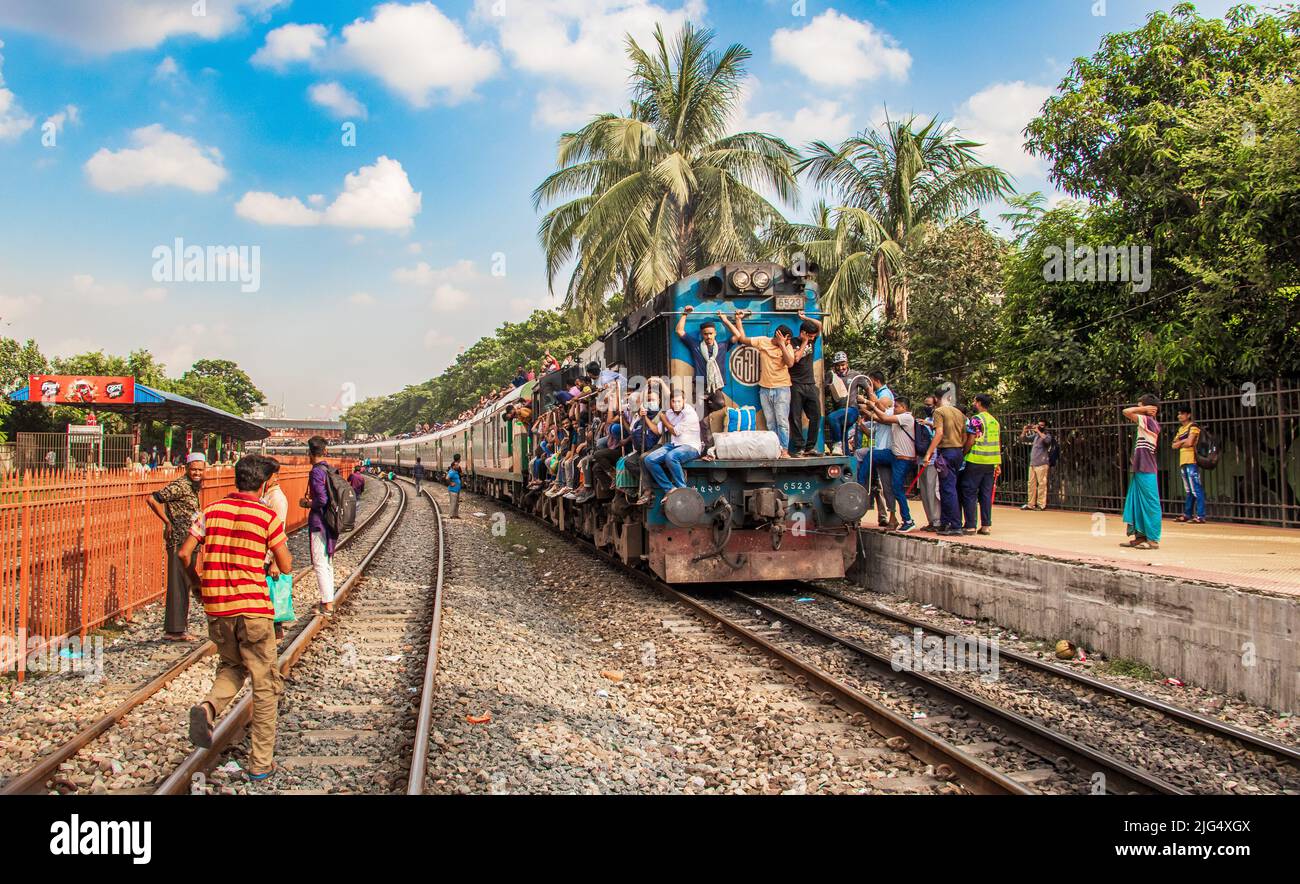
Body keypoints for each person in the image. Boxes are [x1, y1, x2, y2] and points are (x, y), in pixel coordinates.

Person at [179, 455, 290, 782]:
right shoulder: (266, 516)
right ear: (265, 482)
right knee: (265, 684)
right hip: (253, 609)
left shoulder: (209, 513)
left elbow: (185, 553)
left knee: (231, 667)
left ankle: (210, 707)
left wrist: (197, 584)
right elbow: (285, 565)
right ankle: (260, 763)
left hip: (218, 609)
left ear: (237, 479)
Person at [717, 308, 795, 455]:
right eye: (787, 338)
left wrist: (783, 344)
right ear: (778, 335)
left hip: (782, 388)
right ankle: (775, 450)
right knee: (771, 422)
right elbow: (743, 339)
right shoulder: (763, 341)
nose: (789, 341)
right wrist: (738, 320)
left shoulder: (787, 347)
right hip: (765, 389)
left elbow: (790, 363)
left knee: (782, 422)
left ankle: (784, 450)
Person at [147, 452, 207, 641]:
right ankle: (174, 630)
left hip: (189, 539)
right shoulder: (180, 486)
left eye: (200, 469)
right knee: (178, 583)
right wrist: (167, 522)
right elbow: (152, 499)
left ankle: (180, 627)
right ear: (187, 468)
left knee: (185, 583)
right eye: (194, 469)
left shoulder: (193, 486)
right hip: (179, 540)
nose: (197, 472)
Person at [865, 395, 918, 532]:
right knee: (872, 455)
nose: (894, 409)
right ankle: (861, 482)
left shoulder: (906, 417)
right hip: (894, 456)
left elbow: (883, 417)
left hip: (903, 459)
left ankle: (908, 519)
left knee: (897, 489)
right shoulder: (897, 420)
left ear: (904, 408)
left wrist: (870, 404)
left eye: (897, 406)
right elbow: (880, 418)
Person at [641, 386, 702, 498]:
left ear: (684, 401)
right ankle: (670, 489)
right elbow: (657, 431)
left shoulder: (689, 413)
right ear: (670, 402)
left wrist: (663, 419)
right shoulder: (669, 413)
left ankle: (682, 489)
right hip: (675, 445)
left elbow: (675, 432)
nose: (676, 404)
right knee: (649, 460)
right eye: (673, 401)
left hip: (691, 446)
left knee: (671, 457)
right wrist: (644, 417)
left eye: (679, 401)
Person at [300, 436, 337, 617]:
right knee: (327, 561)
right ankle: (328, 598)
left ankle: (327, 604)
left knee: (319, 563)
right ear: (325, 451)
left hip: (319, 522)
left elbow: (322, 499)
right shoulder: (329, 469)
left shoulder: (316, 472)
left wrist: (307, 504)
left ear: (309, 453)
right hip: (330, 520)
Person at [856, 371, 896, 527]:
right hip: (877, 446)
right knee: (880, 483)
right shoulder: (880, 399)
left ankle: (890, 514)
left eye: (870, 384)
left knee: (886, 485)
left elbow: (882, 412)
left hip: (885, 449)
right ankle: (881, 513)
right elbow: (874, 429)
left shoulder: (885, 396)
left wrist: (868, 399)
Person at [1122, 395, 1162, 549]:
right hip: (1140, 468)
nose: (1138, 408)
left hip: (1146, 469)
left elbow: (1126, 411)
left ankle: (1153, 539)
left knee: (1151, 503)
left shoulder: (1149, 421)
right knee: (1137, 502)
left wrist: (1143, 409)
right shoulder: (1146, 423)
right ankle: (1140, 536)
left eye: (1141, 405)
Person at [258, 456, 291, 639]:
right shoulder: (267, 494)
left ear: (273, 476)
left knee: (271, 596)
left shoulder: (277, 498)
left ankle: (274, 633)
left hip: (271, 556)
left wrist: (275, 562)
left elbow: (280, 530)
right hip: (266, 554)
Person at [959, 394, 1001, 535]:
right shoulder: (994, 421)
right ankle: (986, 525)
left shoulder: (977, 419)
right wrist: (997, 463)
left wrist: (964, 453)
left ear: (979, 403)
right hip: (990, 461)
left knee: (969, 491)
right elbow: (997, 443)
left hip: (976, 460)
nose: (973, 403)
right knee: (985, 494)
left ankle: (970, 525)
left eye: (974, 401)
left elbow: (971, 440)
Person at [929, 392, 968, 536]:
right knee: (949, 488)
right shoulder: (959, 413)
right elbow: (966, 435)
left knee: (948, 489)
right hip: (957, 452)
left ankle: (955, 525)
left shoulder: (939, 412)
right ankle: (946, 522)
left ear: (936, 399)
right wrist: (960, 448)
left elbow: (939, 434)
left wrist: (928, 453)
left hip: (946, 452)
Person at [675, 305, 735, 396]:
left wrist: (725, 320)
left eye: (711, 333)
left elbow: (737, 335)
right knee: (701, 409)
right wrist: (685, 314)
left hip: (717, 384)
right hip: (700, 384)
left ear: (715, 333)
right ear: (702, 335)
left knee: (719, 403)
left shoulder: (722, 346)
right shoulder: (695, 345)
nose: (708, 336)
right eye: (705, 334)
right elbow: (679, 331)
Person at [787, 312, 823, 456]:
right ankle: (799, 447)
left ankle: (810, 447)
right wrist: (804, 342)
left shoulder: (812, 340)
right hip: (795, 384)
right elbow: (796, 358)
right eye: (810, 336)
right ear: (803, 333)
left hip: (810, 383)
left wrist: (805, 318)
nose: (813, 338)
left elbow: (820, 325)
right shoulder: (793, 343)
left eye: (814, 336)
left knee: (816, 415)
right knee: (795, 417)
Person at [823, 352, 864, 455]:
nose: (840, 368)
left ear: (847, 364)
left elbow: (869, 389)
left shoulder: (855, 375)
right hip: (839, 410)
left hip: (851, 409)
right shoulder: (832, 375)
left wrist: (869, 403)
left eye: (843, 365)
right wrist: (829, 383)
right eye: (838, 365)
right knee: (842, 434)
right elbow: (824, 394)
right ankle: (846, 457)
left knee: (832, 417)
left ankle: (837, 445)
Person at [1172, 407, 1205, 524]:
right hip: (1183, 461)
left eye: (1182, 414)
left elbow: (1190, 442)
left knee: (1196, 488)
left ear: (1188, 415)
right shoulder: (1181, 429)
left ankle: (1200, 516)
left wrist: (1181, 442)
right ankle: (1188, 514)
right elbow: (1173, 445)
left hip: (1192, 460)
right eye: (1179, 414)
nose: (1179, 416)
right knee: (1188, 490)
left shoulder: (1193, 427)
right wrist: (1183, 442)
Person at [1018, 419, 1055, 511]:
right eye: (1038, 425)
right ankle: (1031, 504)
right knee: (1031, 484)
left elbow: (1047, 441)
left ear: (1045, 427)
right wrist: (1024, 430)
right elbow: (1023, 439)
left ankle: (1041, 505)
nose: (1039, 426)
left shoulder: (1047, 435)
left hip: (1042, 464)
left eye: (1042, 425)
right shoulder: (1035, 436)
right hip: (1033, 464)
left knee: (1041, 485)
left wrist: (1038, 430)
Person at [447, 453, 463, 519]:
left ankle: (456, 515)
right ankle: (451, 515)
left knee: (456, 503)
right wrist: (451, 483)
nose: (458, 466)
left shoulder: (455, 469)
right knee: (453, 503)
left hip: (457, 489)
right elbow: (447, 478)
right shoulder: (453, 470)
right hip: (453, 489)